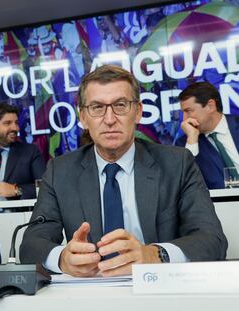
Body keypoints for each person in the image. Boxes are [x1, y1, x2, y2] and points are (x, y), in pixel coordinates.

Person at [20, 65, 227, 277]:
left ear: (138, 112)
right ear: (83, 117)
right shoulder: (60, 171)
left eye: (120, 105)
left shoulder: (177, 163)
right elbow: (31, 245)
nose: (109, 119)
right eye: (97, 108)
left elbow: (212, 240)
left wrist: (154, 255)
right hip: (89, 296)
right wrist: (62, 259)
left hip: (158, 291)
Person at [176, 82, 239, 189]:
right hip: (220, 205)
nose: (184, 119)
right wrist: (192, 141)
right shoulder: (185, 144)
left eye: (188, 111)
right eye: (183, 112)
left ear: (210, 106)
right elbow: (184, 184)